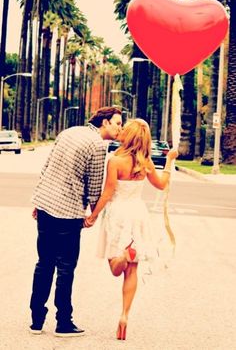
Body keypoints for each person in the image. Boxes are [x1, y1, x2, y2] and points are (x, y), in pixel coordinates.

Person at [29, 106, 122, 337]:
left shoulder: (69, 132)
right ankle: (63, 322)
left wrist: (38, 200)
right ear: (104, 122)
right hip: (68, 213)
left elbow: (47, 168)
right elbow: (93, 186)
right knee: (66, 268)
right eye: (117, 123)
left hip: (45, 206)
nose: (120, 128)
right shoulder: (99, 145)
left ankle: (36, 321)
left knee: (44, 263)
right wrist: (93, 214)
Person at [84, 118, 178, 341]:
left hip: (117, 214)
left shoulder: (115, 160)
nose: (121, 131)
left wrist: (93, 215)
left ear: (129, 135)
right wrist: (169, 162)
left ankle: (125, 255)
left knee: (116, 268)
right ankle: (125, 315)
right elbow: (162, 184)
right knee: (132, 271)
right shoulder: (145, 162)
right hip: (138, 214)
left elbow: (107, 193)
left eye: (124, 129)